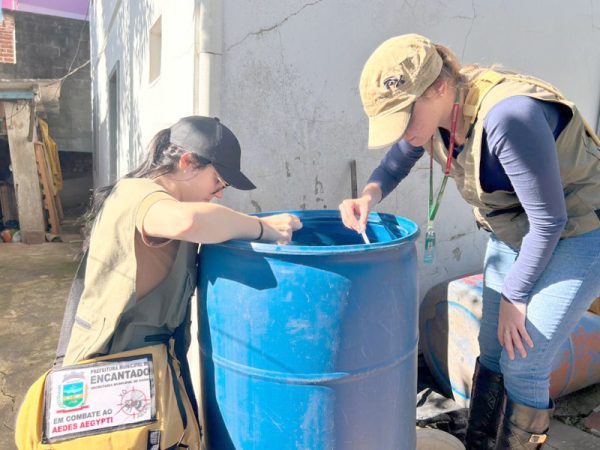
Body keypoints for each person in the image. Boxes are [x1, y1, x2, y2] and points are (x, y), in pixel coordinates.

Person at [339, 34, 600, 449]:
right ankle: (480, 442)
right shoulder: (439, 112)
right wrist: (368, 194)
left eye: (404, 116)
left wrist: (517, 295)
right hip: (517, 228)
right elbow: (400, 156)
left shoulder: (508, 117)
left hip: (580, 227)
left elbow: (550, 220)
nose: (402, 131)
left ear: (439, 87)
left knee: (525, 363)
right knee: (493, 349)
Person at [64, 116, 302, 447]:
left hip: (150, 374)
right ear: (187, 162)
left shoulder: (172, 203)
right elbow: (186, 221)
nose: (218, 194)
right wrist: (261, 228)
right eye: (218, 182)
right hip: (110, 376)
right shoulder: (138, 194)